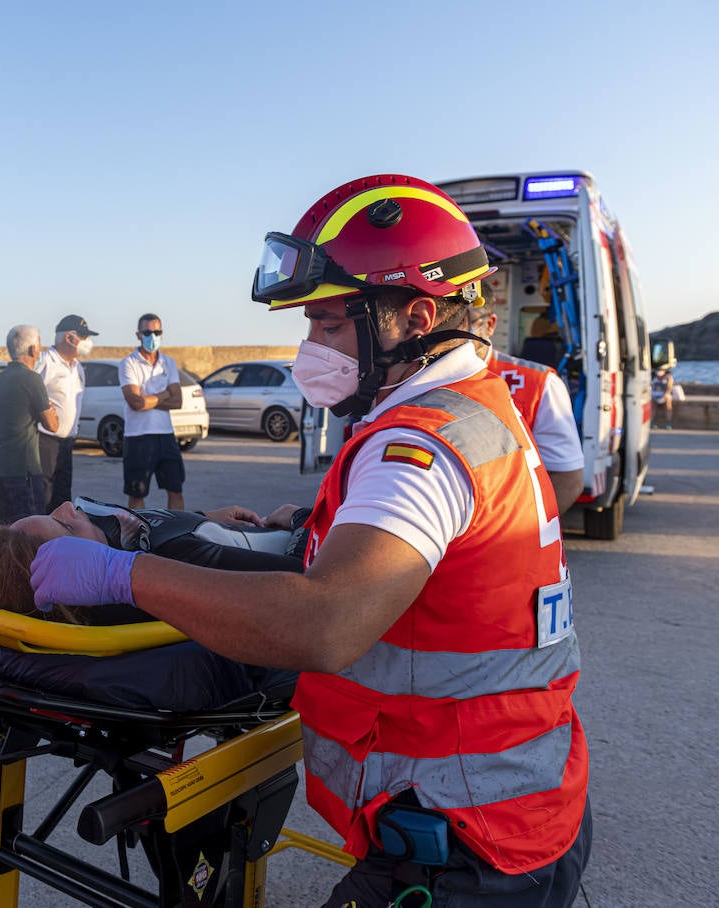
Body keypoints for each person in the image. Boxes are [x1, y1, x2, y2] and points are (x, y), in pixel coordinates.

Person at [30, 176, 590, 906]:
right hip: (518, 806)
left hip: (466, 845)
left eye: (328, 325)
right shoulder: (478, 403)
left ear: (414, 317)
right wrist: (311, 525)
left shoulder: (419, 450)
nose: (312, 347)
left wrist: (118, 575)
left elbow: (323, 623)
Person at [0, 499, 301, 624]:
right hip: (299, 538)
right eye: (64, 525)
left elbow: (151, 527)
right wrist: (301, 517)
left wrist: (202, 518)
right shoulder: (177, 561)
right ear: (81, 575)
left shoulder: (118, 546)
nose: (66, 506)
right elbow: (304, 579)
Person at [469, 302, 585, 513]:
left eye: (466, 321)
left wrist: (525, 534)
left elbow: (567, 479)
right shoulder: (408, 375)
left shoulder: (537, 383)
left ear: (490, 324)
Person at [0, 325, 58, 524]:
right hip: (23, 469)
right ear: (33, 350)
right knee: (31, 532)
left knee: (7, 531)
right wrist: (50, 409)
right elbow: (53, 425)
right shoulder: (32, 379)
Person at [119, 313, 185, 510]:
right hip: (138, 437)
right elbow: (135, 403)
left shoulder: (168, 363)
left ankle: (177, 535)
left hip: (166, 435)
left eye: (157, 332)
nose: (153, 336)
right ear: (138, 334)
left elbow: (178, 401)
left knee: (176, 490)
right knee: (136, 494)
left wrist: (149, 399)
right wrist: (165, 393)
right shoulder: (128, 363)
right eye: (148, 332)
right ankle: (136, 538)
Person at [37, 314, 96, 512]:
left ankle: (59, 540)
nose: (88, 342)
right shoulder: (45, 361)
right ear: (70, 338)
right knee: (44, 497)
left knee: (63, 500)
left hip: (67, 442)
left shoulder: (77, 367)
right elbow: (28, 392)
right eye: (84, 337)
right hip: (45, 440)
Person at [652, 365, 676, 429]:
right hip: (654, 395)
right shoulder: (652, 376)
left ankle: (668, 424)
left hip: (665, 395)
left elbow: (669, 388)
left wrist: (665, 395)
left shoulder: (668, 377)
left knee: (668, 405)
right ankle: (651, 423)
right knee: (652, 405)